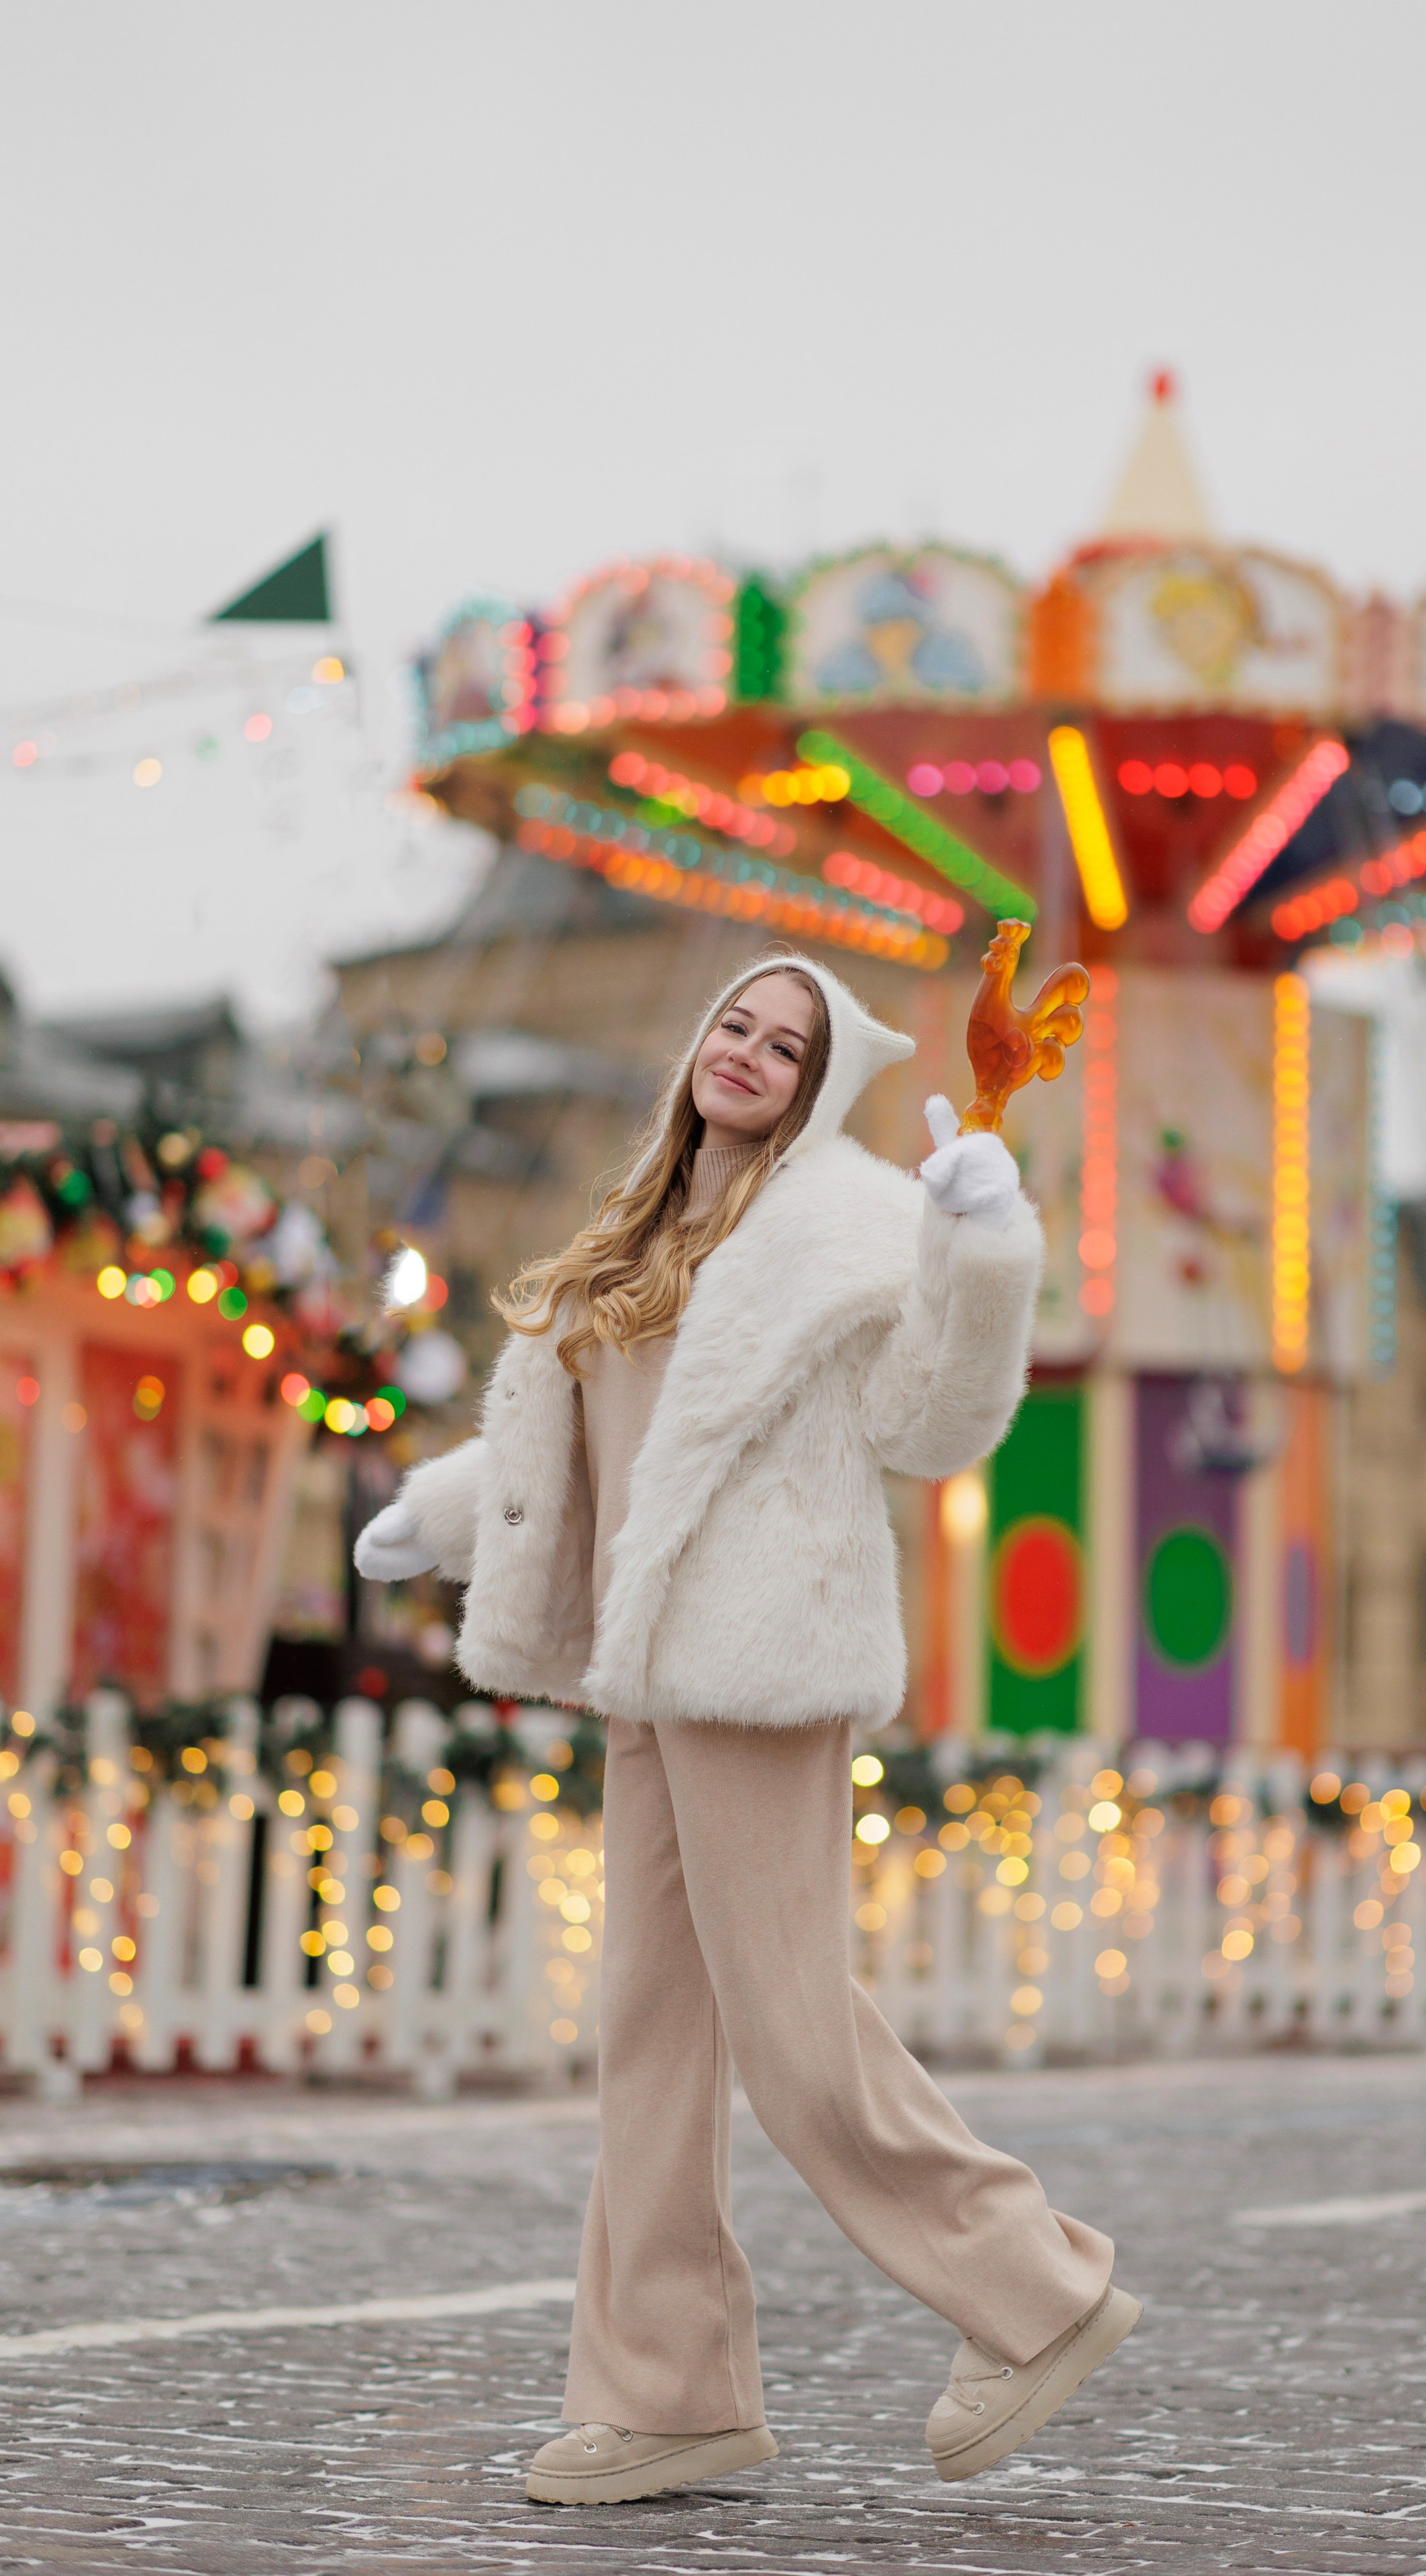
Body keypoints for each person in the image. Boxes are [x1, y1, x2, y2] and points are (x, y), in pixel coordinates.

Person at [354, 953, 1139, 2507]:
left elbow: (929, 1421)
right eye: (734, 1023)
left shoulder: (845, 1224)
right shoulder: (641, 1225)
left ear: (816, 1082)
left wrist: (979, 1256)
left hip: (764, 1664)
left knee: (791, 2033)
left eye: (787, 1046)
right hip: (647, 1675)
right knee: (649, 2044)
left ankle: (1032, 2290)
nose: (749, 1053)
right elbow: (595, 1443)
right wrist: (447, 1514)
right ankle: (665, 2392)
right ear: (697, 1042)